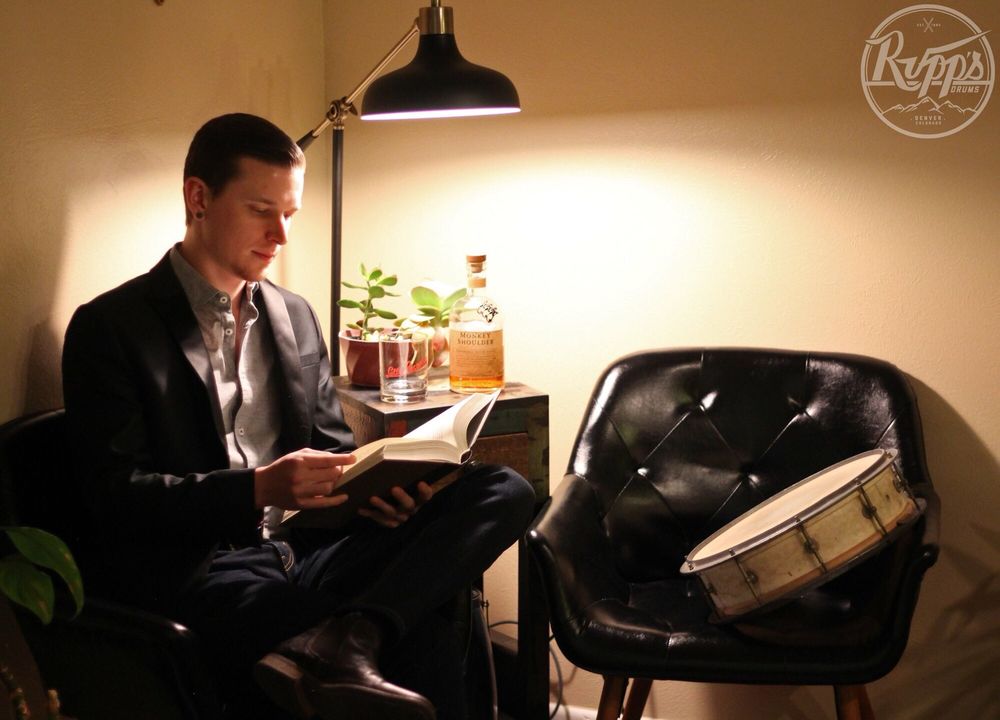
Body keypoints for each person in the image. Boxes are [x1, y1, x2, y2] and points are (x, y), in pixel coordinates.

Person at [61, 113, 535, 720]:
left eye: (289, 214)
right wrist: (257, 488)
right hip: (208, 570)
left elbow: (334, 451)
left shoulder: (294, 314)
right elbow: (115, 497)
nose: (280, 235)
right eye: (262, 210)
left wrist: (377, 494)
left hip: (310, 548)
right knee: (422, 640)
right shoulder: (111, 327)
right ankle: (354, 637)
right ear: (198, 198)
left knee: (504, 489)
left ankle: (355, 633)